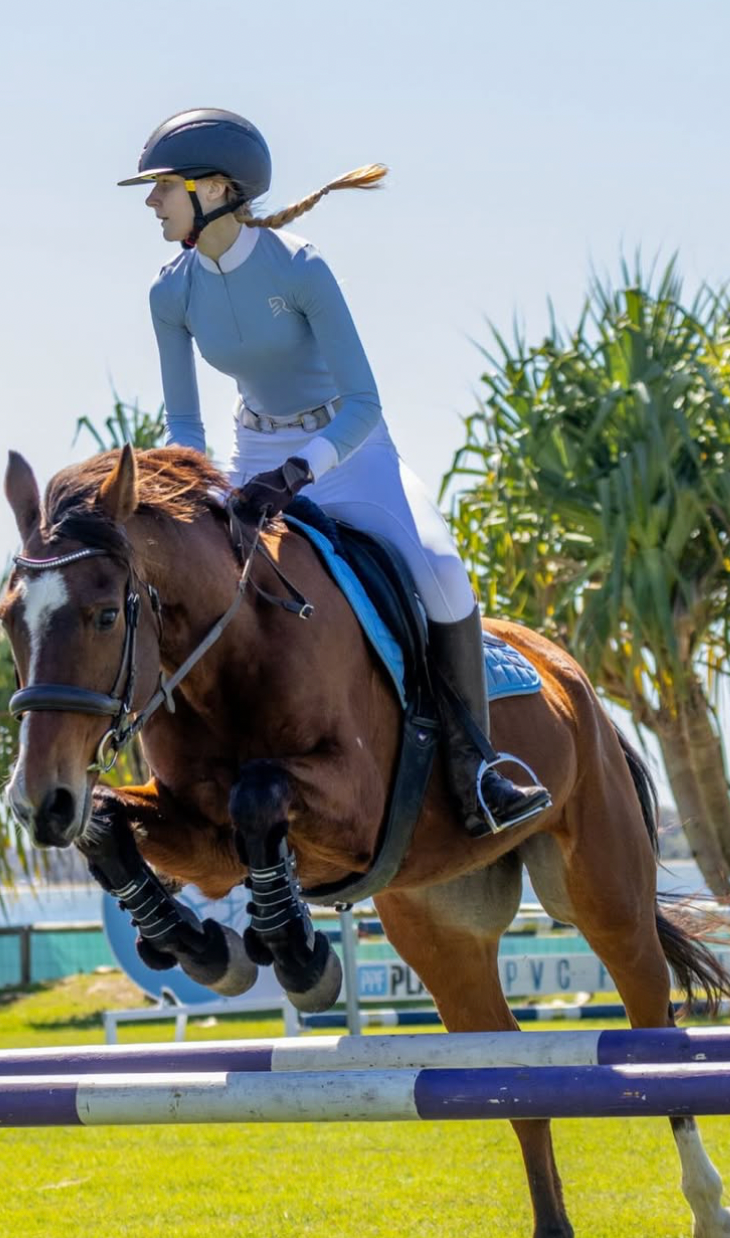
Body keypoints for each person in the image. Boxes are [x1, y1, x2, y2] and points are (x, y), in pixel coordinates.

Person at [118, 107, 551, 834]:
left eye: (162, 187)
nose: (150, 202)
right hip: (251, 455)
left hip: (350, 452)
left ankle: (475, 768)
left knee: (443, 573)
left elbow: (362, 403)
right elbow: (185, 427)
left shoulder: (301, 268)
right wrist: (189, 498)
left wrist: (296, 474)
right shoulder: (171, 291)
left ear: (216, 189)